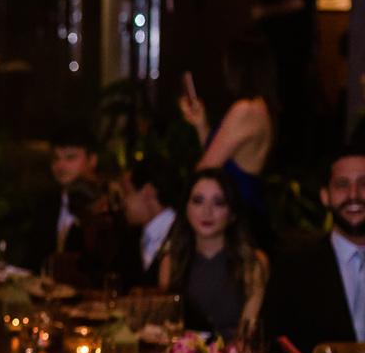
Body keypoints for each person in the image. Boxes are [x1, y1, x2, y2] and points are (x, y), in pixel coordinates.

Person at [263, 145, 365, 353]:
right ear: (325, 196)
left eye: (364, 183)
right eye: (342, 185)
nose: (354, 194)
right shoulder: (294, 264)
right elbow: (273, 345)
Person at [179, 40, 277, 248]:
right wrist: (200, 124)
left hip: (240, 218)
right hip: (244, 213)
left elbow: (206, 170)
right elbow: (221, 160)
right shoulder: (260, 107)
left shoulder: (246, 109)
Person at [159, 169, 269, 340]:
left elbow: (248, 333)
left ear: (232, 213)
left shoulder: (252, 262)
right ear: (186, 208)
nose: (207, 211)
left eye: (218, 203)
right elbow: (166, 331)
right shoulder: (171, 263)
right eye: (198, 201)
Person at [22, 124, 101, 281]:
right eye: (55, 158)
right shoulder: (46, 204)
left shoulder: (106, 205)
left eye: (70, 157)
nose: (60, 165)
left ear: (92, 160)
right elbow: (31, 262)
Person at [114, 155, 182, 291]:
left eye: (127, 193)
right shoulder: (131, 238)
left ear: (148, 192)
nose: (123, 203)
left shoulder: (184, 235)